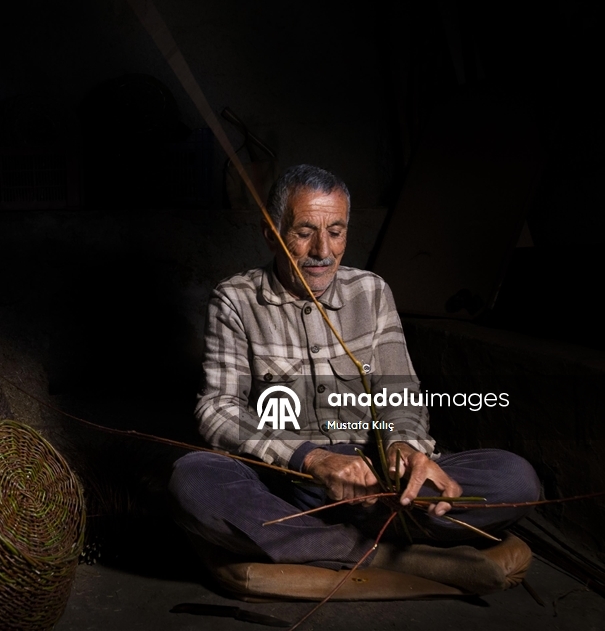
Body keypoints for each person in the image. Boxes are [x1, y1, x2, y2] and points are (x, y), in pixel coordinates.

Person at [169, 164, 540, 593]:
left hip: (379, 490)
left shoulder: (372, 291)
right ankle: (387, 555)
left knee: (514, 478)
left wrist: (404, 447)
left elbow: (400, 393)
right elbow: (218, 410)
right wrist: (312, 458)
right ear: (272, 234)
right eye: (305, 230)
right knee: (193, 481)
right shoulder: (235, 300)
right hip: (288, 489)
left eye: (337, 231)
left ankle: (322, 544)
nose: (322, 250)